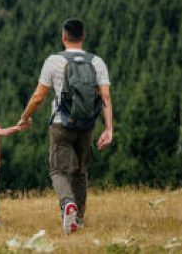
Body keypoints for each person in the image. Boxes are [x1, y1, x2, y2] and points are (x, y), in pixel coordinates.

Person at [17, 18, 113, 235]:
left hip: (62, 123)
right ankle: (77, 218)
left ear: (64, 37)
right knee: (80, 171)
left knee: (57, 170)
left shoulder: (54, 61)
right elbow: (105, 96)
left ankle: (68, 204)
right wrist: (109, 129)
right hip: (87, 124)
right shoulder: (96, 62)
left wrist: (25, 117)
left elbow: (38, 96)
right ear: (83, 36)